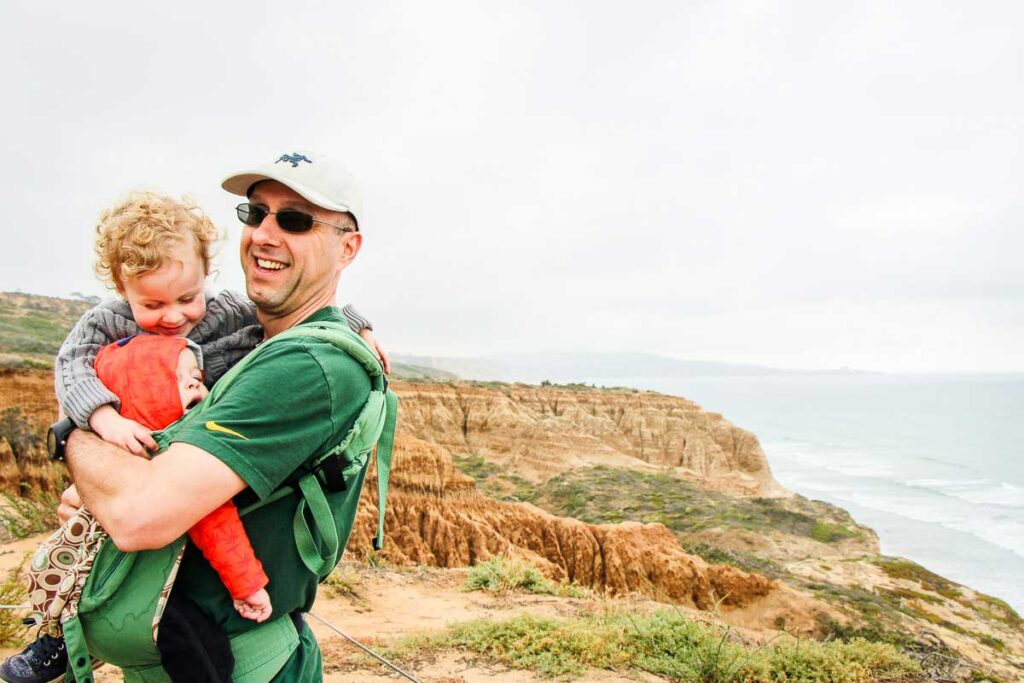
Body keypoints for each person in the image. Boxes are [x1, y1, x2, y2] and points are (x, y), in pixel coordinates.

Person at [59, 149, 379, 681]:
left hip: (238, 664)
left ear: (347, 247)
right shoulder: (258, 335)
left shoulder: (307, 365)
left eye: (296, 220)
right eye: (255, 214)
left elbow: (139, 515)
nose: (266, 234)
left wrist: (76, 441)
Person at [3, 335, 260, 683]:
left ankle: (60, 642)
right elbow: (216, 524)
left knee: (176, 627)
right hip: (121, 566)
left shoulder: (183, 448)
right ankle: (58, 640)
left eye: (196, 375)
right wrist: (248, 586)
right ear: (141, 391)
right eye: (176, 376)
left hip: (149, 573)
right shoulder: (136, 444)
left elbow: (216, 522)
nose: (194, 380)